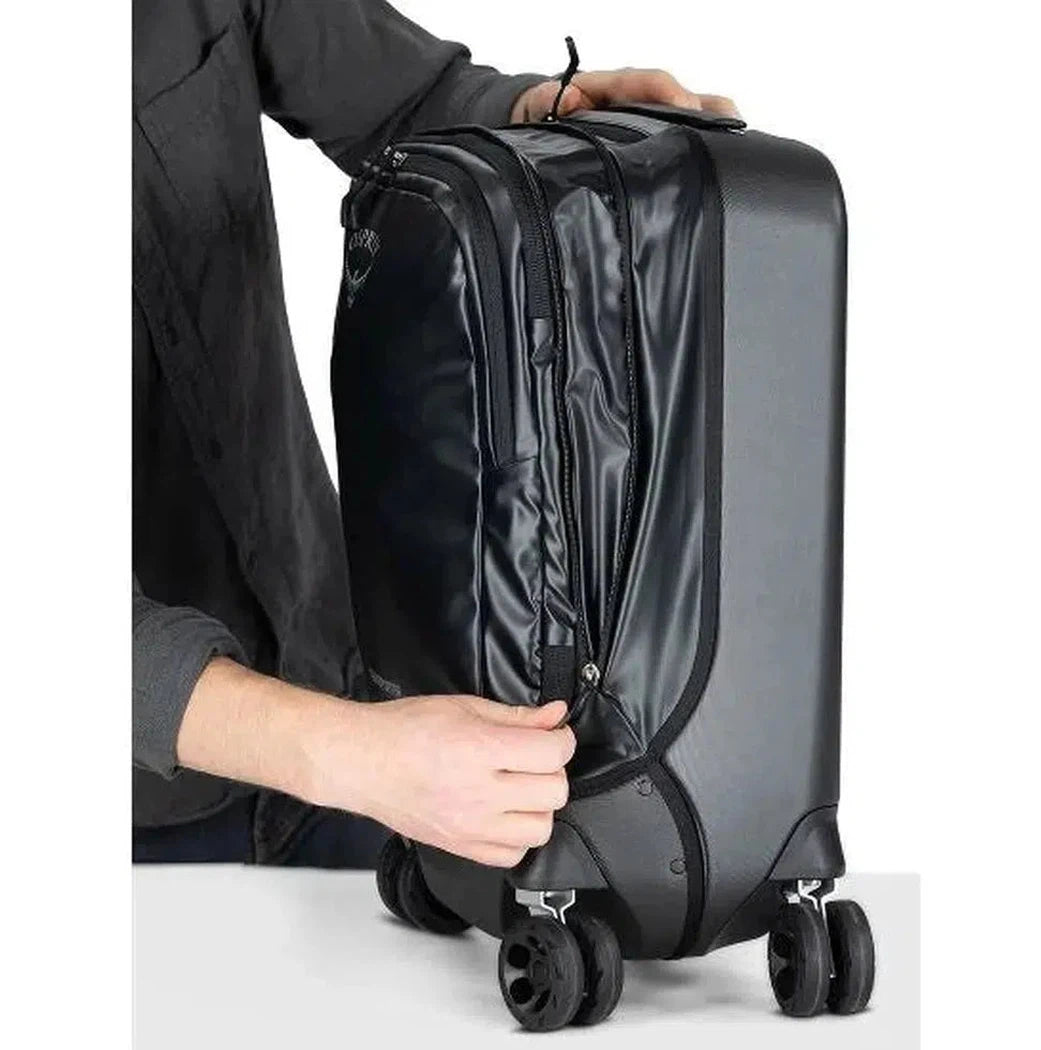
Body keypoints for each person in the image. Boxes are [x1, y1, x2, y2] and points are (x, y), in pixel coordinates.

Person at [133, 0, 738, 866]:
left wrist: (538, 117)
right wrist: (350, 756)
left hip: (349, 689)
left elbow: (403, 104)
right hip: (142, 818)